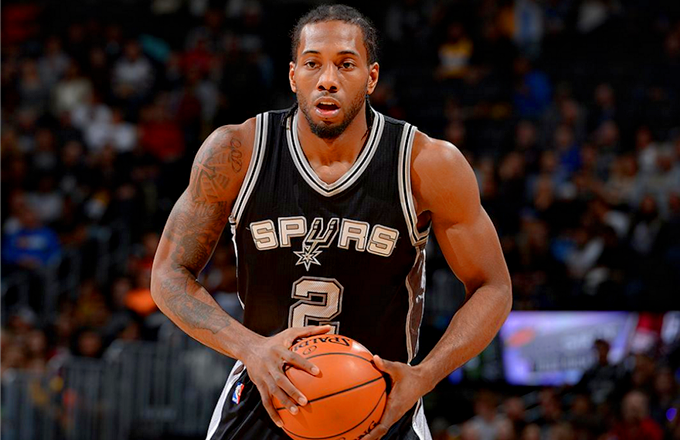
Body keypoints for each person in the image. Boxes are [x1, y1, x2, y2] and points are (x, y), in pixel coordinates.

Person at [150, 5, 511, 440]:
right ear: (292, 76)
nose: (327, 79)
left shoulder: (426, 164)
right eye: (312, 64)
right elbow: (168, 273)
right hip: (267, 393)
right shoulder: (236, 152)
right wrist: (250, 347)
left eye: (345, 64)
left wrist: (425, 374)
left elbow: (493, 287)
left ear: (371, 77)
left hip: (382, 405)